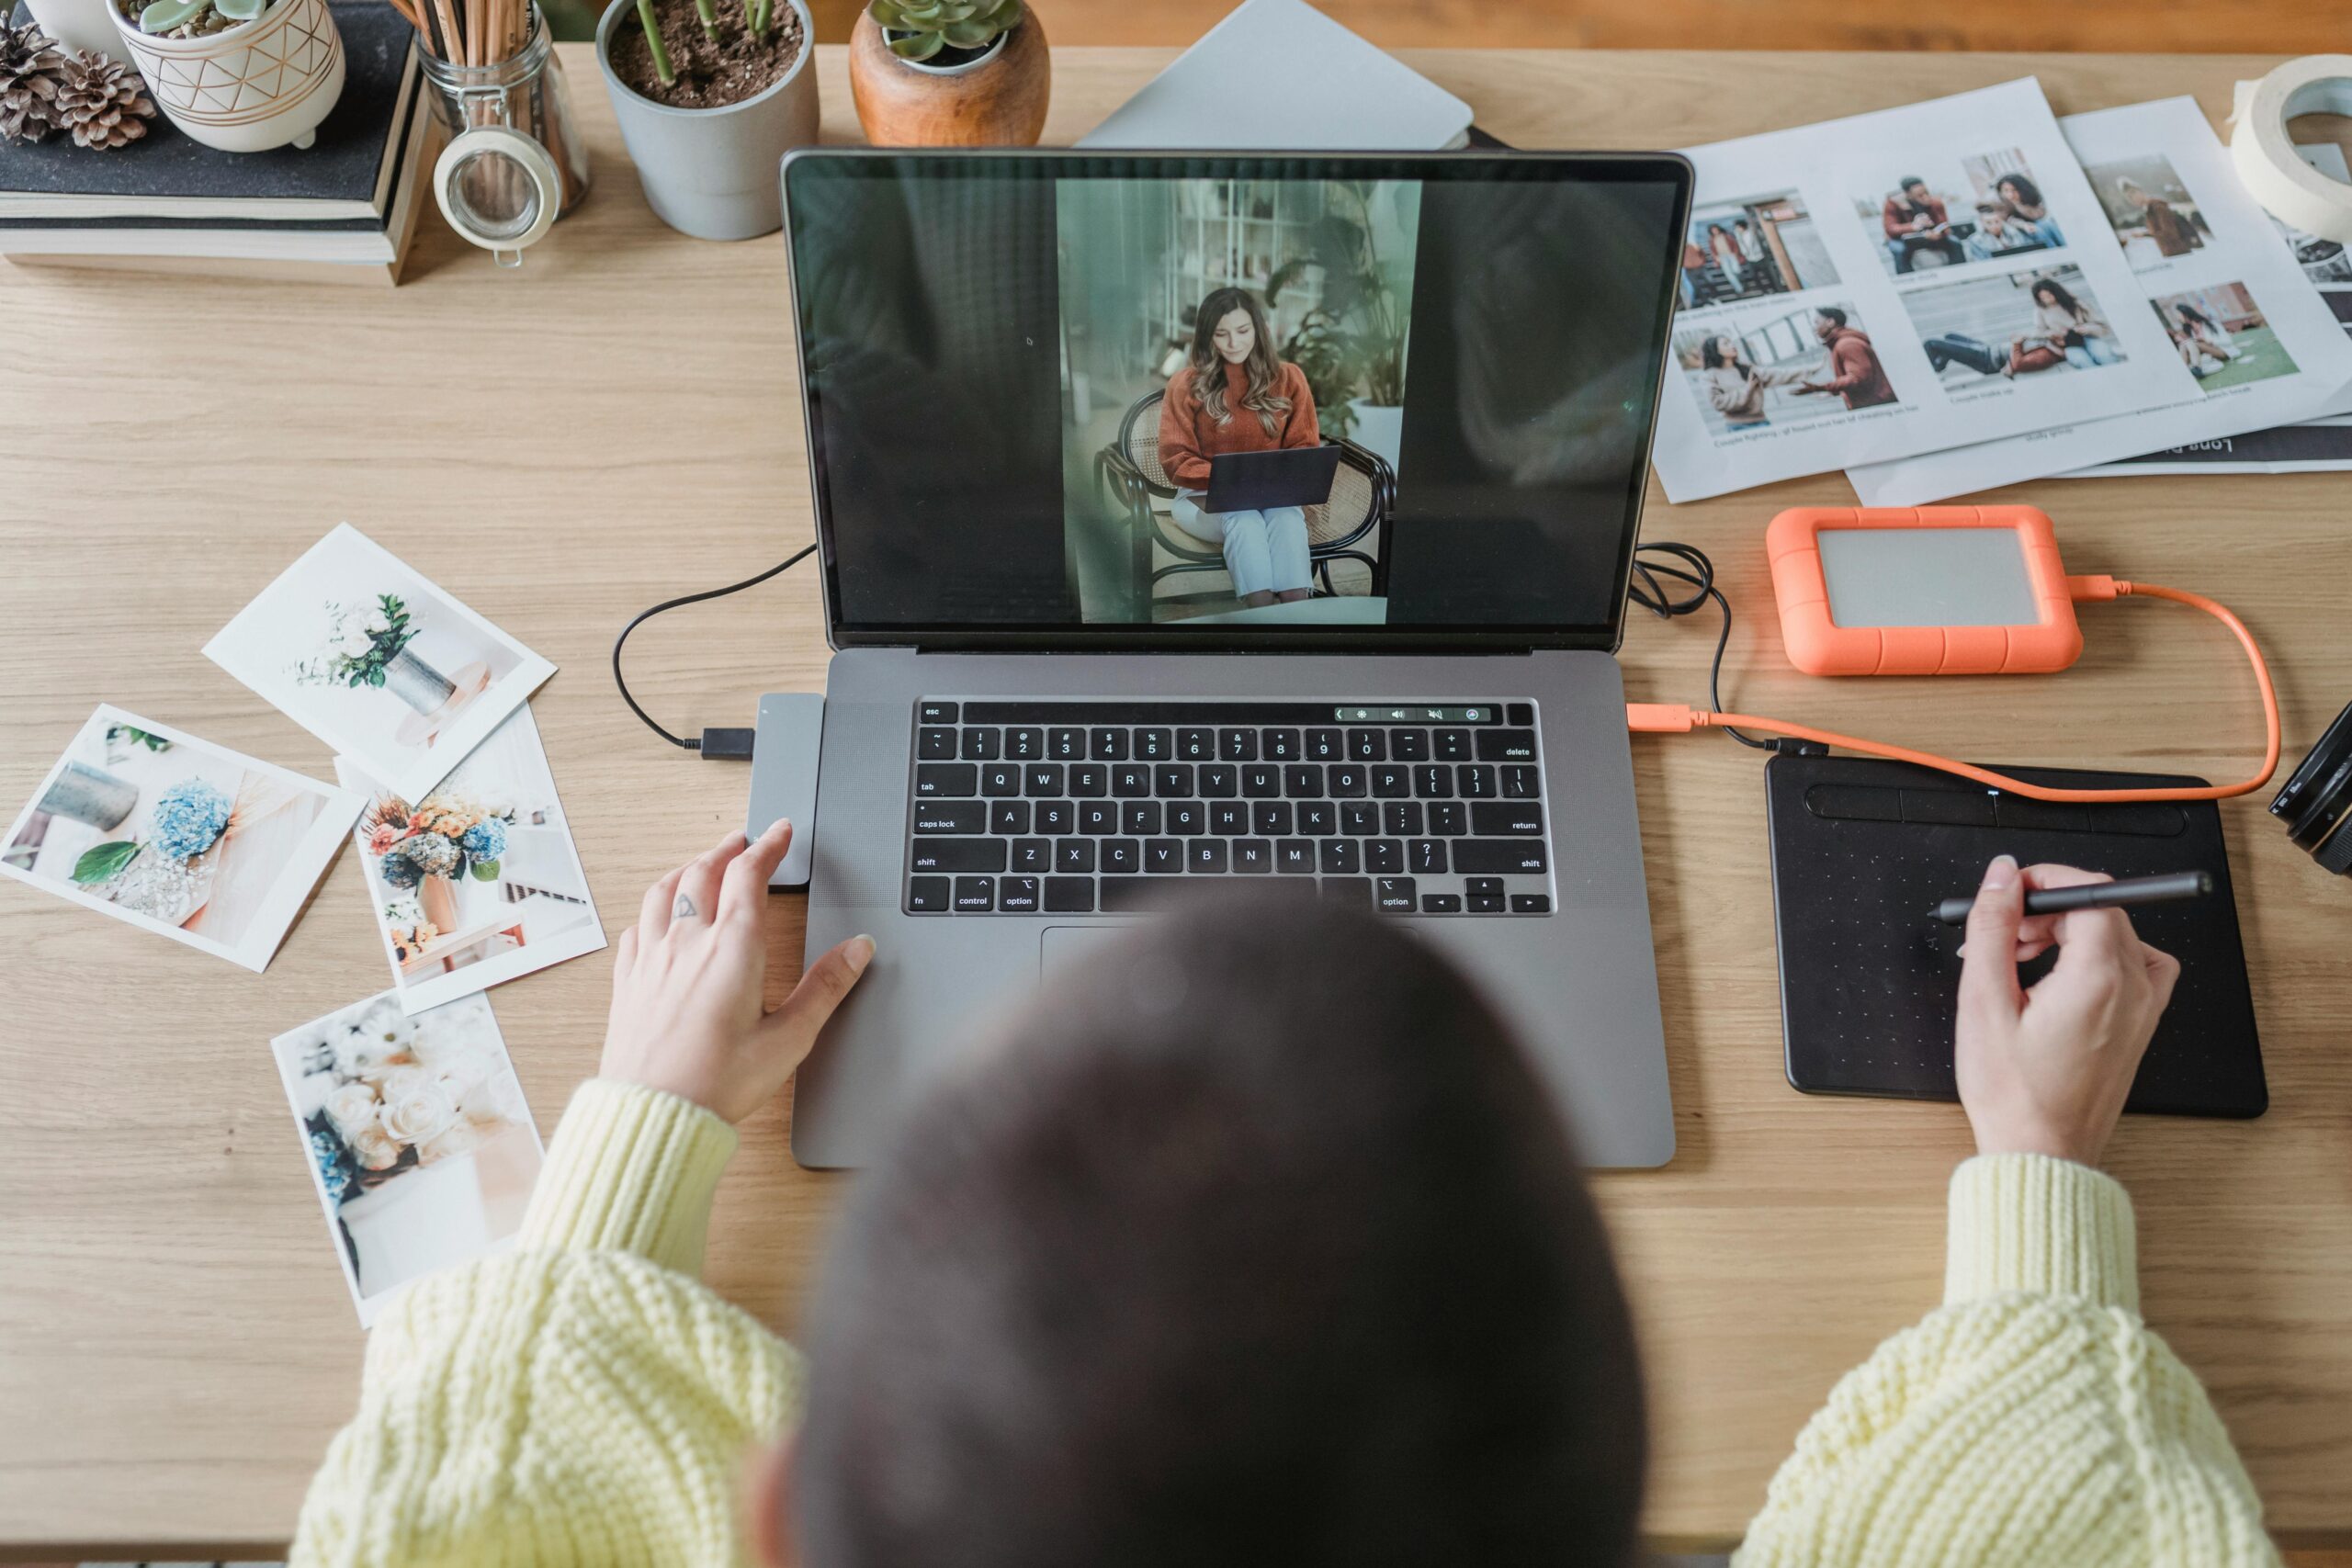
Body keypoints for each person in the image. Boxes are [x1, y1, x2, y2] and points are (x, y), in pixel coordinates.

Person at [288, 826, 2281, 1568]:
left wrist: (643, 1109)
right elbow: (2067, 1498)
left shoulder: (499, 1492)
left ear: (780, 1508)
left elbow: (483, 1481)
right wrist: (2034, 1177)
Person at [1156, 286, 1320, 609]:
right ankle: (1259, 612)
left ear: (1259, 329)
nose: (1234, 343)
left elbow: (1304, 449)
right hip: (1200, 499)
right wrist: (1233, 479)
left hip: (1273, 497)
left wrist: (1263, 482)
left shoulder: (1290, 378)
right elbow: (1176, 460)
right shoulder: (1185, 383)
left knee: (1287, 517)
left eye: (1243, 331)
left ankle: (1295, 611)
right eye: (1221, 334)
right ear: (1207, 337)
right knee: (1244, 516)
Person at [2009, 275, 2119, 375]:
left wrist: (2086, 328)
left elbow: (2101, 325)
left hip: (2088, 337)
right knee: (2082, 361)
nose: (2046, 299)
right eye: (2042, 298)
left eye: (2048, 295)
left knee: (2105, 356)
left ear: (2056, 292)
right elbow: (2040, 331)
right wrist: (2054, 333)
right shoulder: (2040, 310)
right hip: (2066, 344)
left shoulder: (2076, 303)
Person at [1794, 305, 1897, 409]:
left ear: (1830, 322)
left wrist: (1822, 387)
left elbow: (1857, 378)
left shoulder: (1847, 345)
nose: (1814, 328)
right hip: (1872, 402)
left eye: (1817, 322)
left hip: (1874, 405)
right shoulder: (1841, 343)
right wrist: (1835, 391)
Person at [1882, 176, 1961, 273]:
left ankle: (1959, 273)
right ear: (1908, 195)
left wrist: (1938, 233)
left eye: (1926, 193)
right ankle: (1907, 282)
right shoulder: (1893, 203)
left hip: (1931, 236)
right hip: (1904, 239)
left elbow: (1944, 225)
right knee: (1899, 250)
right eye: (1920, 195)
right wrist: (1913, 227)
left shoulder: (1935, 203)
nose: (1925, 197)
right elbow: (1890, 229)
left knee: (1954, 242)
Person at [2118, 175, 2200, 256]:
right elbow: (2160, 231)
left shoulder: (2157, 207)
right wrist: (2143, 234)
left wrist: (2145, 234)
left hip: (2178, 252)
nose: (2133, 199)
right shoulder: (2148, 209)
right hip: (2171, 252)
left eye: (2133, 193)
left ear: (2140, 191)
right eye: (2129, 197)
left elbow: (2169, 233)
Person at [1997, 171, 2066, 249]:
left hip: (2044, 229)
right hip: (2027, 234)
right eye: (2006, 191)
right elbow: (2011, 220)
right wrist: (2024, 225)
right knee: (2039, 228)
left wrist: (2019, 205)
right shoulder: (2003, 206)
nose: (2010, 195)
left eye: (2014, 190)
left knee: (2047, 224)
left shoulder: (2032, 201)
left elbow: (2041, 215)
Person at [1962, 200, 2047, 261]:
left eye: (1997, 221)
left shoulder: (2014, 232)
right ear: (1982, 223)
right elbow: (1980, 261)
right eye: (1989, 223)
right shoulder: (1975, 240)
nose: (1994, 226)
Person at [2177, 299, 2239, 373]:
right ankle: (2183, 370)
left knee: (2190, 342)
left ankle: (2197, 368)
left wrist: (2209, 342)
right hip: (2210, 355)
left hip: (2224, 352)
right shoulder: (2190, 330)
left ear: (2185, 314)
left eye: (2179, 314)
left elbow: (2228, 341)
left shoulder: (2211, 324)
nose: (2178, 317)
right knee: (2183, 345)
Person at [1707, 220, 1747, 295]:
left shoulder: (1727, 235)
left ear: (1718, 229)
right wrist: (1716, 258)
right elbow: (1712, 250)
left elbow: (1735, 244)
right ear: (1711, 232)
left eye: (1716, 229)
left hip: (1731, 255)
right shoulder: (1711, 240)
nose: (1715, 231)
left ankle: (1743, 281)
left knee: (1737, 270)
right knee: (1729, 275)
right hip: (1722, 257)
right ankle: (1739, 289)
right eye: (1713, 230)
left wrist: (1735, 253)